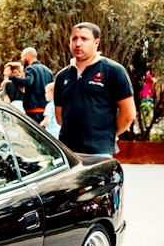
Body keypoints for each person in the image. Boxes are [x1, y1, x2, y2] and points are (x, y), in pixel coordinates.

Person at [54, 23, 136, 155]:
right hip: (67, 153)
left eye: (84, 39)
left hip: (99, 153)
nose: (78, 43)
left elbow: (128, 115)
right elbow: (59, 116)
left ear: (96, 42)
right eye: (74, 38)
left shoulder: (113, 71)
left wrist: (107, 134)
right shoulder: (62, 76)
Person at [8, 47, 54, 124]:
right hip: (46, 109)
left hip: (33, 109)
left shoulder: (30, 69)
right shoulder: (48, 71)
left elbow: (28, 81)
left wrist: (12, 78)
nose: (22, 59)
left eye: (22, 57)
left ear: (27, 57)